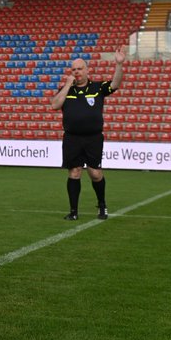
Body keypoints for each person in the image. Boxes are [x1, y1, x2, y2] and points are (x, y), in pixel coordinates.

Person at [50, 46, 126, 220]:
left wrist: (119, 64)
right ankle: (73, 212)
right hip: (72, 138)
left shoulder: (97, 87)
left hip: (93, 138)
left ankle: (102, 204)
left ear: (87, 70)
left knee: (95, 173)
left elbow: (115, 84)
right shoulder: (66, 89)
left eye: (79, 69)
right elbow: (54, 105)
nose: (76, 72)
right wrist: (67, 84)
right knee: (74, 172)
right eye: (73, 70)